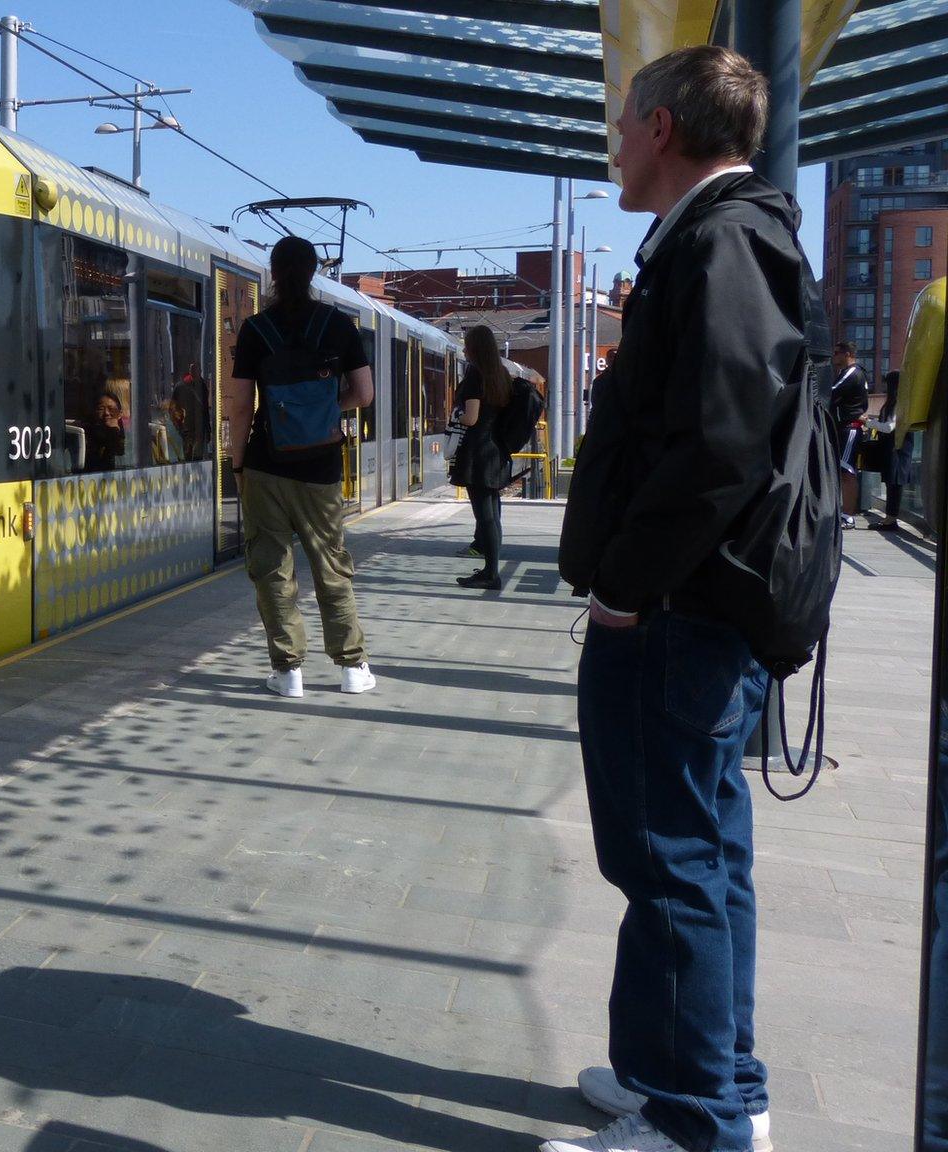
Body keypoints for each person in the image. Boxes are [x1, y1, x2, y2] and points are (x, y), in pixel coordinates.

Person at [554, 45, 800, 1152]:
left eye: (619, 123)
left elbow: (716, 445)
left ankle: (692, 1118)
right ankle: (697, 1078)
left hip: (675, 615)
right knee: (698, 855)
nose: (611, 142)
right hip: (693, 609)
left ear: (658, 127)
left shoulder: (721, 240)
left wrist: (622, 590)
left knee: (667, 864)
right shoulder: (721, 237)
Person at [225, 235, 376, 698]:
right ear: (315, 273)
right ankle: (352, 668)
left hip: (267, 465)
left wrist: (238, 462)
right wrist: (327, 415)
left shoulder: (255, 329)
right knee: (331, 564)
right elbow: (363, 394)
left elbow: (238, 406)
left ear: (273, 273)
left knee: (272, 567)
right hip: (321, 469)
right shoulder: (338, 326)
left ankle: (288, 671)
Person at [451, 325, 514, 591]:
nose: (464, 349)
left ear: (476, 348)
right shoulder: (501, 374)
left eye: (467, 345)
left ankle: (491, 574)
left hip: (478, 452)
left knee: (484, 516)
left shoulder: (476, 374)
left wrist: (455, 417)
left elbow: (472, 417)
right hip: (494, 451)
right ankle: (491, 570)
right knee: (493, 514)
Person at [829, 341, 870, 528]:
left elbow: (830, 393)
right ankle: (843, 512)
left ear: (847, 354)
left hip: (850, 428)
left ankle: (848, 516)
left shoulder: (852, 373)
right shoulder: (847, 373)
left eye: (837, 353)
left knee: (847, 471)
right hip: (845, 427)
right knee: (843, 470)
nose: (833, 356)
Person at [870, 369, 916, 533]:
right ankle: (890, 518)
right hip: (896, 447)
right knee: (892, 483)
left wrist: (868, 423)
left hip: (898, 448)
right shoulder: (897, 402)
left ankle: (891, 519)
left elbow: (889, 427)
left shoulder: (900, 403)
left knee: (894, 483)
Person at [86, 390, 127, 471]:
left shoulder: (129, 435)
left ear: (120, 414)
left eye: (111, 409)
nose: (106, 413)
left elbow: (120, 456)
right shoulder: (88, 435)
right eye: (101, 409)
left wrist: (114, 432)